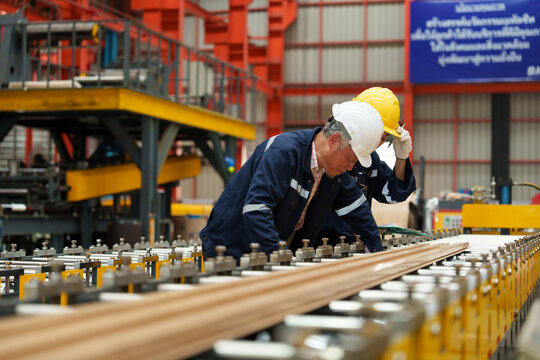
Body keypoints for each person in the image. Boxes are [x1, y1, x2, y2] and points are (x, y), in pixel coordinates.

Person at [200, 101, 385, 261]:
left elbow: (358, 210)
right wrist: (280, 257)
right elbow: (256, 209)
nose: (351, 167)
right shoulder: (283, 153)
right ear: (334, 141)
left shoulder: (332, 171)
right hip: (229, 247)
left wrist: (377, 252)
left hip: (264, 250)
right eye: (351, 159)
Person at [320, 87, 416, 245]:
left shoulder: (371, 162)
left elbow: (393, 193)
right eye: (380, 136)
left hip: (353, 246)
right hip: (320, 246)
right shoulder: (329, 153)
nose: (378, 144)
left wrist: (401, 157)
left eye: (384, 138)